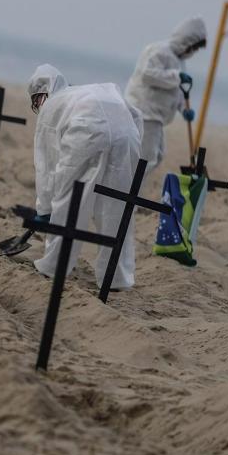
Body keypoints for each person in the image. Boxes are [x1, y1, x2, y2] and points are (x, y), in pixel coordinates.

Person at [28, 64, 142, 289]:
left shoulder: (52, 107)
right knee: (117, 205)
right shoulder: (88, 91)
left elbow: (47, 167)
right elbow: (136, 115)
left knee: (69, 198)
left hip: (86, 131)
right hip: (127, 135)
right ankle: (117, 279)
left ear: (41, 95)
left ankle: (54, 266)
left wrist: (44, 210)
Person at [124, 17, 208, 172]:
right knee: (145, 158)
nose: (193, 52)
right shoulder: (158, 51)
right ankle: (128, 191)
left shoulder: (179, 62)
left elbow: (177, 92)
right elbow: (147, 75)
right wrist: (176, 77)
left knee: (157, 156)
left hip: (157, 118)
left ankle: (132, 189)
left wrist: (183, 109)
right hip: (144, 112)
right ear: (186, 41)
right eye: (193, 48)